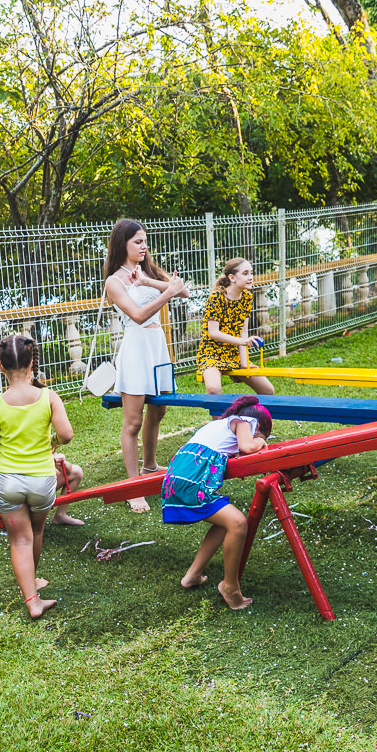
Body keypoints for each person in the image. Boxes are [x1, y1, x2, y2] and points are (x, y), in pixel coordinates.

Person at [0, 334, 81, 619]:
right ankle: (33, 583)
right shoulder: (48, 396)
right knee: (36, 533)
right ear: (32, 364)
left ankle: (31, 598)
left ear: (1, 366)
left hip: (8, 482)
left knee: (19, 540)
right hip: (41, 481)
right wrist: (50, 441)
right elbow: (66, 435)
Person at [103, 219, 190, 513]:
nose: (144, 246)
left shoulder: (149, 270)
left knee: (159, 409)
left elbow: (184, 292)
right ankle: (133, 488)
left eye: (145, 241)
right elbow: (138, 316)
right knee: (133, 422)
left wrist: (148, 281)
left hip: (157, 347)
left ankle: (150, 466)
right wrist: (166, 292)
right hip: (136, 348)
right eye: (138, 241)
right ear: (123, 244)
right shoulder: (114, 281)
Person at [160, 395, 272, 610]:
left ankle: (193, 575)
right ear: (257, 426)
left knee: (225, 523)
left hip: (177, 477)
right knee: (238, 523)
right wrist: (259, 442)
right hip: (192, 480)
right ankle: (230, 588)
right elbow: (248, 446)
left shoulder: (219, 426)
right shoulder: (244, 422)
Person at [196, 258, 274, 396]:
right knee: (213, 389)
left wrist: (244, 363)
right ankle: (219, 413)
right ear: (232, 277)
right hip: (211, 354)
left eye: (251, 273)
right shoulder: (216, 297)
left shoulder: (247, 297)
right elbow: (213, 333)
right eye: (245, 273)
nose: (250, 277)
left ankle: (253, 411)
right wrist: (244, 342)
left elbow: (243, 331)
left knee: (267, 390)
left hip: (234, 355)